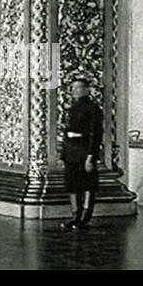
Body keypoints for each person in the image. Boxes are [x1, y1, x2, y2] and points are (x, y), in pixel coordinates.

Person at [62, 77, 103, 229]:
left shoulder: (93, 109)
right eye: (72, 88)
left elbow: (95, 134)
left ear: (86, 90)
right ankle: (75, 214)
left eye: (77, 88)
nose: (73, 91)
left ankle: (85, 216)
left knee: (87, 184)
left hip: (84, 150)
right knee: (72, 184)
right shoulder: (71, 108)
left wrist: (90, 157)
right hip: (71, 151)